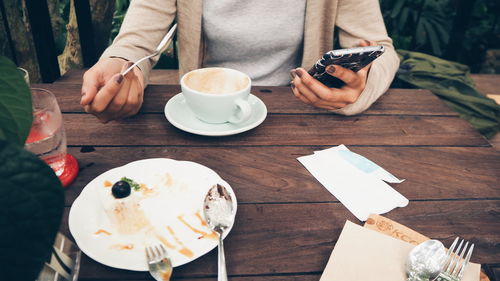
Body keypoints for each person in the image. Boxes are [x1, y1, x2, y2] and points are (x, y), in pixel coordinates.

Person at [81, 0, 399, 123]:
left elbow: (382, 49)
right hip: (203, 116)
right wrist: (121, 65)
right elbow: (135, 41)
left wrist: (361, 87)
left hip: (294, 116)